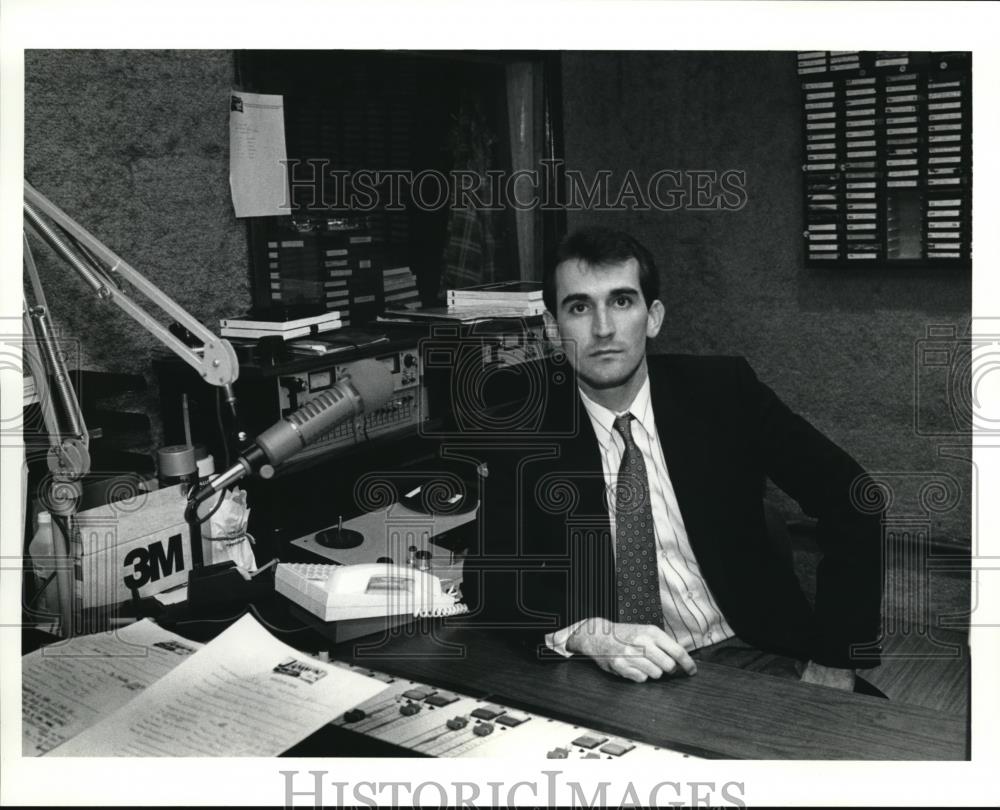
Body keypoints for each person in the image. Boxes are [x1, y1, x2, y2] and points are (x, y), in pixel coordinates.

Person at [460, 226, 884, 694]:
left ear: (654, 316)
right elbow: (490, 581)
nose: (603, 329)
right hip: (609, 670)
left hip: (750, 652)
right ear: (552, 329)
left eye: (622, 301)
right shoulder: (524, 423)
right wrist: (592, 635)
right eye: (579, 307)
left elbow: (855, 498)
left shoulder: (725, 394)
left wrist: (836, 658)